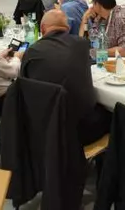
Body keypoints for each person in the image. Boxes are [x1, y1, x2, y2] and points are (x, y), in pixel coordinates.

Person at [21, 10, 111, 145]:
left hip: (43, 132)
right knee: (112, 114)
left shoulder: (32, 52)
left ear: (42, 28)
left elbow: (23, 85)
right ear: (67, 29)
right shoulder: (82, 45)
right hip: (81, 132)